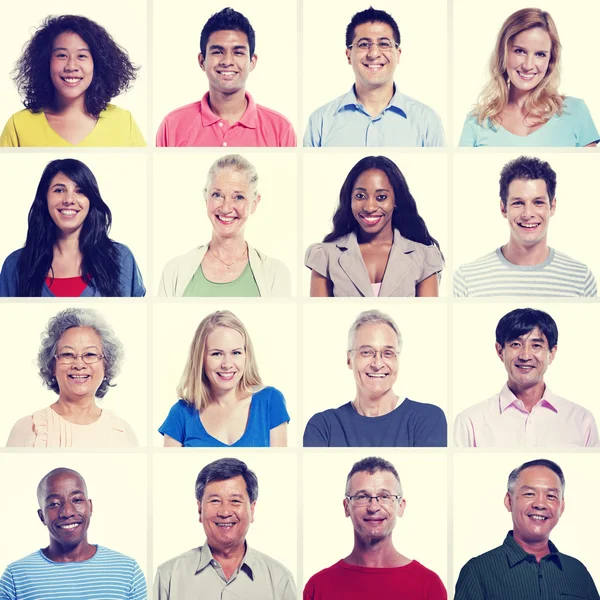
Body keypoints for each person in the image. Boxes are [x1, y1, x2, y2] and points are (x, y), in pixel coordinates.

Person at [455, 459, 600, 599]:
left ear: (561, 507)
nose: (540, 504)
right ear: (509, 501)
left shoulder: (578, 572)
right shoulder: (478, 571)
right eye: (529, 494)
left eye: (550, 496)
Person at [304, 456, 446, 599]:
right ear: (347, 507)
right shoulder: (318, 586)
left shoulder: (429, 585)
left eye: (384, 496)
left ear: (400, 506)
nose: (373, 507)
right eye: (362, 497)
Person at [454, 308, 599, 447]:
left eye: (536, 345)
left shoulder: (582, 421)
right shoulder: (471, 421)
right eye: (516, 344)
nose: (525, 356)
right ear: (500, 351)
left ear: (552, 353)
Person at [454, 156, 596, 297]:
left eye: (538, 202)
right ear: (503, 209)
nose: (527, 214)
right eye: (518, 203)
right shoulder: (468, 279)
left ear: (552, 207)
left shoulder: (581, 278)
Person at [0, 158, 145, 297]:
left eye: (80, 191)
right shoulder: (15, 265)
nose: (69, 200)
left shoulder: (120, 258)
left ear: (90, 201)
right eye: (59, 190)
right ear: (45, 198)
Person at [154, 458, 296, 599]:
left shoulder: (280, 581)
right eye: (215, 501)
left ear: (252, 510)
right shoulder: (169, 577)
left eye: (235, 501)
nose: (225, 512)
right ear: (199, 509)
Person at [304, 7, 444, 147]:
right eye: (364, 44)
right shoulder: (320, 121)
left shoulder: (427, 121)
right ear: (348, 55)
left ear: (398, 54)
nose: (374, 53)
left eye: (384, 44)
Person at [303, 310, 447, 447]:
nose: (378, 364)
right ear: (349, 359)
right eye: (366, 352)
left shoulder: (428, 419)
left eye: (388, 353)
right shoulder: (323, 427)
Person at [305, 156, 443, 297]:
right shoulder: (325, 256)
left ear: (396, 200)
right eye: (360, 196)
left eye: (381, 197)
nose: (369, 207)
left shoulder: (424, 257)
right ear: (350, 199)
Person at [459, 8, 599, 147]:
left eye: (540, 54)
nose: (528, 65)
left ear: (550, 60)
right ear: (504, 53)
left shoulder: (575, 112)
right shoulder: (477, 121)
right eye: (520, 51)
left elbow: (589, 169)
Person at [156, 8, 295, 147]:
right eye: (217, 51)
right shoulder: (172, 125)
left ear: (252, 62)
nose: (227, 61)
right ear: (202, 61)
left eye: (238, 52)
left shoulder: (281, 129)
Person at [0, 467, 146, 599]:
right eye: (54, 504)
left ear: (90, 507)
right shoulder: (15, 577)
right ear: (41, 516)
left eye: (76, 500)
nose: (67, 512)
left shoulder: (128, 571)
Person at [0, 15, 145, 147]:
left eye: (82, 56)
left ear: (98, 63)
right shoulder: (18, 126)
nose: (71, 66)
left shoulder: (124, 122)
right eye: (62, 55)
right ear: (46, 62)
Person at [158, 154, 290, 297]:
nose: (226, 208)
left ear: (254, 203)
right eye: (217, 195)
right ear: (206, 198)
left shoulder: (276, 274)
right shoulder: (174, 270)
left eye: (238, 197)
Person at [6, 308, 138, 448]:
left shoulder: (123, 433)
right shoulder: (28, 428)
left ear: (106, 364)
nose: (79, 364)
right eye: (67, 354)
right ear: (52, 365)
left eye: (90, 354)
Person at [159, 310, 289, 447]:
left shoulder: (270, 401)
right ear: (200, 358)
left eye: (236, 353)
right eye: (217, 354)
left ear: (246, 355)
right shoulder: (180, 414)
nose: (227, 364)